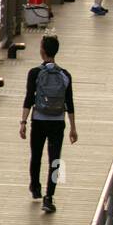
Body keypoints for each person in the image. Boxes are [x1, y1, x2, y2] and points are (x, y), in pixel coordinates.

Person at [20, 35, 78, 215]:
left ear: (42, 50)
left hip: (38, 120)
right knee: (55, 160)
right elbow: (69, 102)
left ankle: (35, 186)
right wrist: (73, 127)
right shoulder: (65, 74)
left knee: (35, 155)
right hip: (57, 122)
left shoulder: (35, 73)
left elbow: (29, 98)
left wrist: (23, 122)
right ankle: (49, 197)